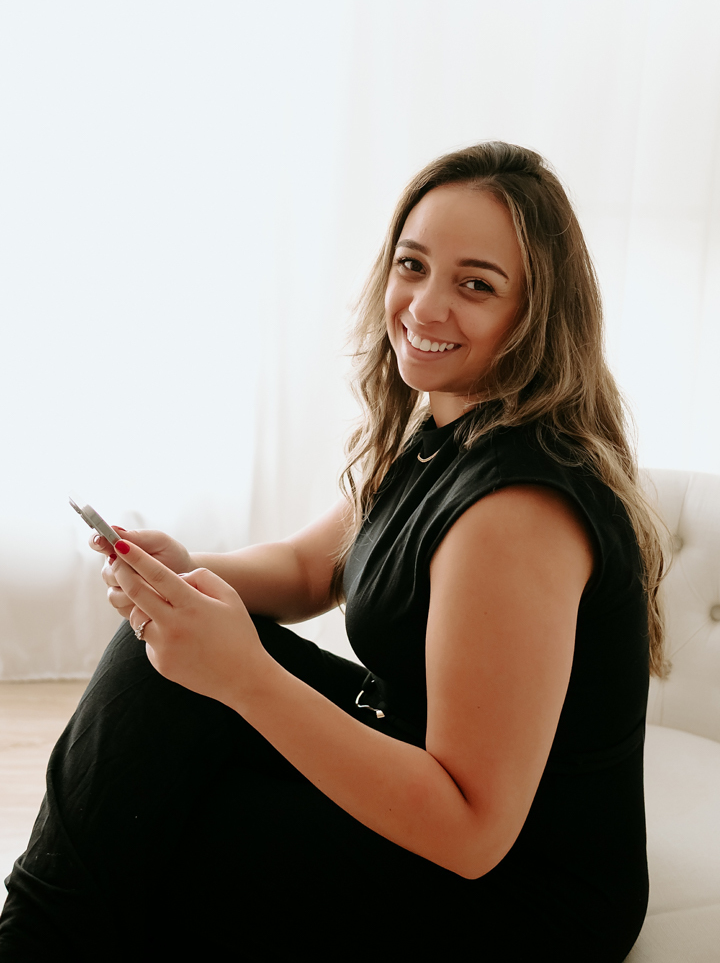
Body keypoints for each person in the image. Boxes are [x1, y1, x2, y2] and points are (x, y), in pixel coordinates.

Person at [0, 142, 666, 961]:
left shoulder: (515, 514)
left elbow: (472, 831)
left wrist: (242, 674)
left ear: (537, 314)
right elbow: (308, 568)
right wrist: (187, 574)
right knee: (157, 671)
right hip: (419, 773)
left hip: (520, 893)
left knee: (171, 830)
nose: (424, 306)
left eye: (475, 285)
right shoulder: (448, 424)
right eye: (413, 266)